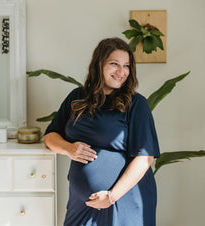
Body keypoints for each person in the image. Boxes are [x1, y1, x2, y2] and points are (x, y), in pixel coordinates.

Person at [44, 37, 160, 226]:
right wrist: (69, 149)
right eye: (114, 64)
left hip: (123, 199)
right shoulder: (77, 97)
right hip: (81, 202)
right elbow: (50, 136)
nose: (121, 72)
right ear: (99, 65)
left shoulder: (136, 104)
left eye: (127, 66)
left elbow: (145, 157)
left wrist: (112, 196)